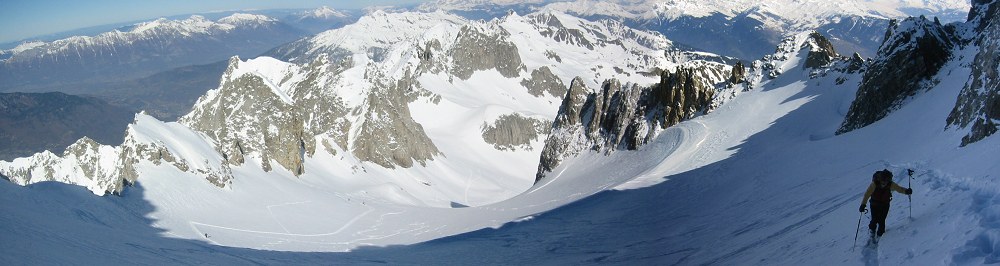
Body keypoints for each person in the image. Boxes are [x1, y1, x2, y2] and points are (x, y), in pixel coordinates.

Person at [859, 169, 912, 238]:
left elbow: (899, 189)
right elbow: (867, 194)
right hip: (874, 204)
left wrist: (907, 191)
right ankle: (872, 230)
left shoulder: (891, 184)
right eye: (882, 181)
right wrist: (863, 204)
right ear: (879, 179)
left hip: (885, 205)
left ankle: (880, 235)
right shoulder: (874, 184)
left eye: (886, 181)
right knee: (874, 219)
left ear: (888, 180)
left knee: (882, 220)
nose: (884, 183)